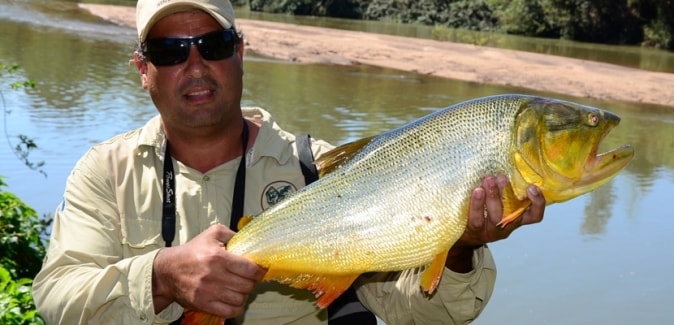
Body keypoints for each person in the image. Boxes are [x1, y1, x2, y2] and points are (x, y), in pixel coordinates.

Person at [32, 0, 546, 324]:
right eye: (170, 52)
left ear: (240, 53)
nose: (194, 65)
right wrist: (162, 276)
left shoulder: (319, 170)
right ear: (143, 70)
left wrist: (458, 248)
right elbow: (57, 299)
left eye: (212, 45)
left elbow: (424, 312)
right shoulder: (105, 173)